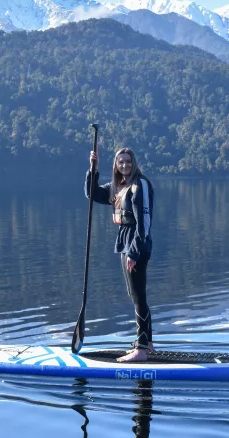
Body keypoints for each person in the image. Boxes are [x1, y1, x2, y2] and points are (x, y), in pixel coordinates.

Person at [85, 147, 156, 363]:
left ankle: (141, 349)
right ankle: (148, 343)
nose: (124, 165)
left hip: (137, 245)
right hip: (125, 243)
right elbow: (92, 193)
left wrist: (134, 252)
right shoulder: (119, 187)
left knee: (137, 296)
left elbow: (144, 223)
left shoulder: (139, 185)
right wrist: (93, 169)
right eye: (120, 162)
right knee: (135, 294)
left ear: (134, 163)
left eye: (128, 161)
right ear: (116, 165)